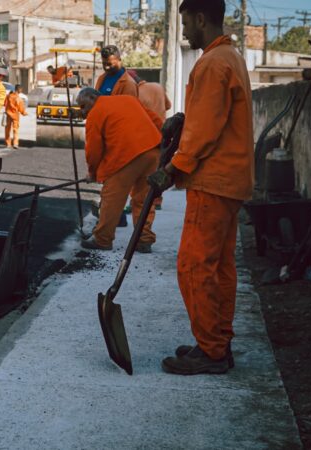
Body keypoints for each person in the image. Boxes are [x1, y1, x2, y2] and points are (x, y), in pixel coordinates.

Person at [147, 0, 253, 375]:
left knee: (194, 265)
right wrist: (184, 119)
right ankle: (216, 342)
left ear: (201, 18)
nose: (185, 31)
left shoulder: (212, 63)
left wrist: (173, 169)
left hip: (213, 181)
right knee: (219, 267)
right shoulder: (230, 57)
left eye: (186, 23)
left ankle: (211, 352)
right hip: (230, 181)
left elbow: (205, 130)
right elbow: (211, 118)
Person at [76, 87, 163, 253]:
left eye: (83, 106)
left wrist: (92, 173)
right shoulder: (128, 99)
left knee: (112, 198)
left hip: (126, 156)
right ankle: (144, 240)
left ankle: (102, 239)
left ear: (93, 98)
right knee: (143, 199)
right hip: (153, 152)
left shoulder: (95, 113)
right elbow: (156, 120)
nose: (83, 111)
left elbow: (93, 150)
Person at [128, 69, 172, 210]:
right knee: (159, 167)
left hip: (146, 136)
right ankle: (157, 200)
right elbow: (168, 106)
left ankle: (138, 201)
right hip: (163, 133)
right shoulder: (158, 87)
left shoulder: (136, 94)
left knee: (140, 171)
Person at [4, 84, 28, 149]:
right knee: (15, 130)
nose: (21, 90)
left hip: (8, 115)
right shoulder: (19, 98)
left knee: (7, 129)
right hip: (15, 116)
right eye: (21, 89)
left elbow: (5, 103)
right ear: (19, 89)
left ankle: (8, 144)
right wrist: (24, 113)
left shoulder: (8, 96)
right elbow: (21, 108)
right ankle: (15, 144)